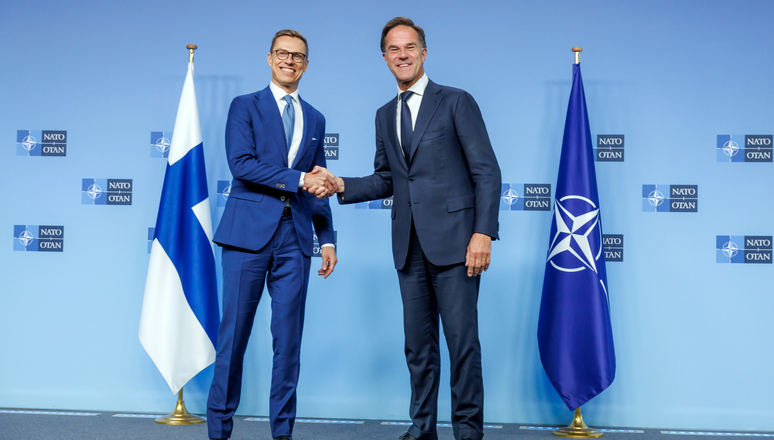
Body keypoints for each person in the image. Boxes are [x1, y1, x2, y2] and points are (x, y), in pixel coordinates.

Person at [329, 16, 501, 440]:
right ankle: (422, 429)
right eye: (393, 49)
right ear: (385, 57)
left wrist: (483, 233)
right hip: (408, 247)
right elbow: (388, 178)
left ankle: (467, 433)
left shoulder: (456, 101)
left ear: (423, 53)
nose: (402, 55)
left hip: (458, 244)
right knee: (418, 350)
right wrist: (341, 185)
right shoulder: (384, 114)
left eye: (409, 47)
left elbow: (487, 172)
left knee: (462, 346)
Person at [206, 29, 338, 440]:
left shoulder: (315, 117)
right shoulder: (244, 106)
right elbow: (242, 165)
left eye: (298, 56)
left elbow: (316, 185)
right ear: (269, 58)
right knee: (233, 340)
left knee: (289, 345)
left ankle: (283, 434)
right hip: (247, 237)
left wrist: (328, 237)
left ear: (306, 64)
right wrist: (299, 179)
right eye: (283, 53)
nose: (290, 60)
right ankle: (219, 432)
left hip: (295, 242)